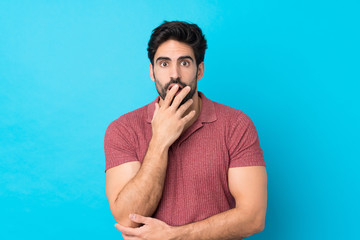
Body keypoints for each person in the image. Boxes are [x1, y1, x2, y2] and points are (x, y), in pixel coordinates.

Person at [104, 21, 267, 240]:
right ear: (152, 72)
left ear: (199, 70)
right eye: (164, 64)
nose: (174, 74)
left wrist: (175, 235)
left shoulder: (236, 125)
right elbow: (128, 218)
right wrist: (160, 140)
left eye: (184, 63)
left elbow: (253, 217)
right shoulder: (123, 130)